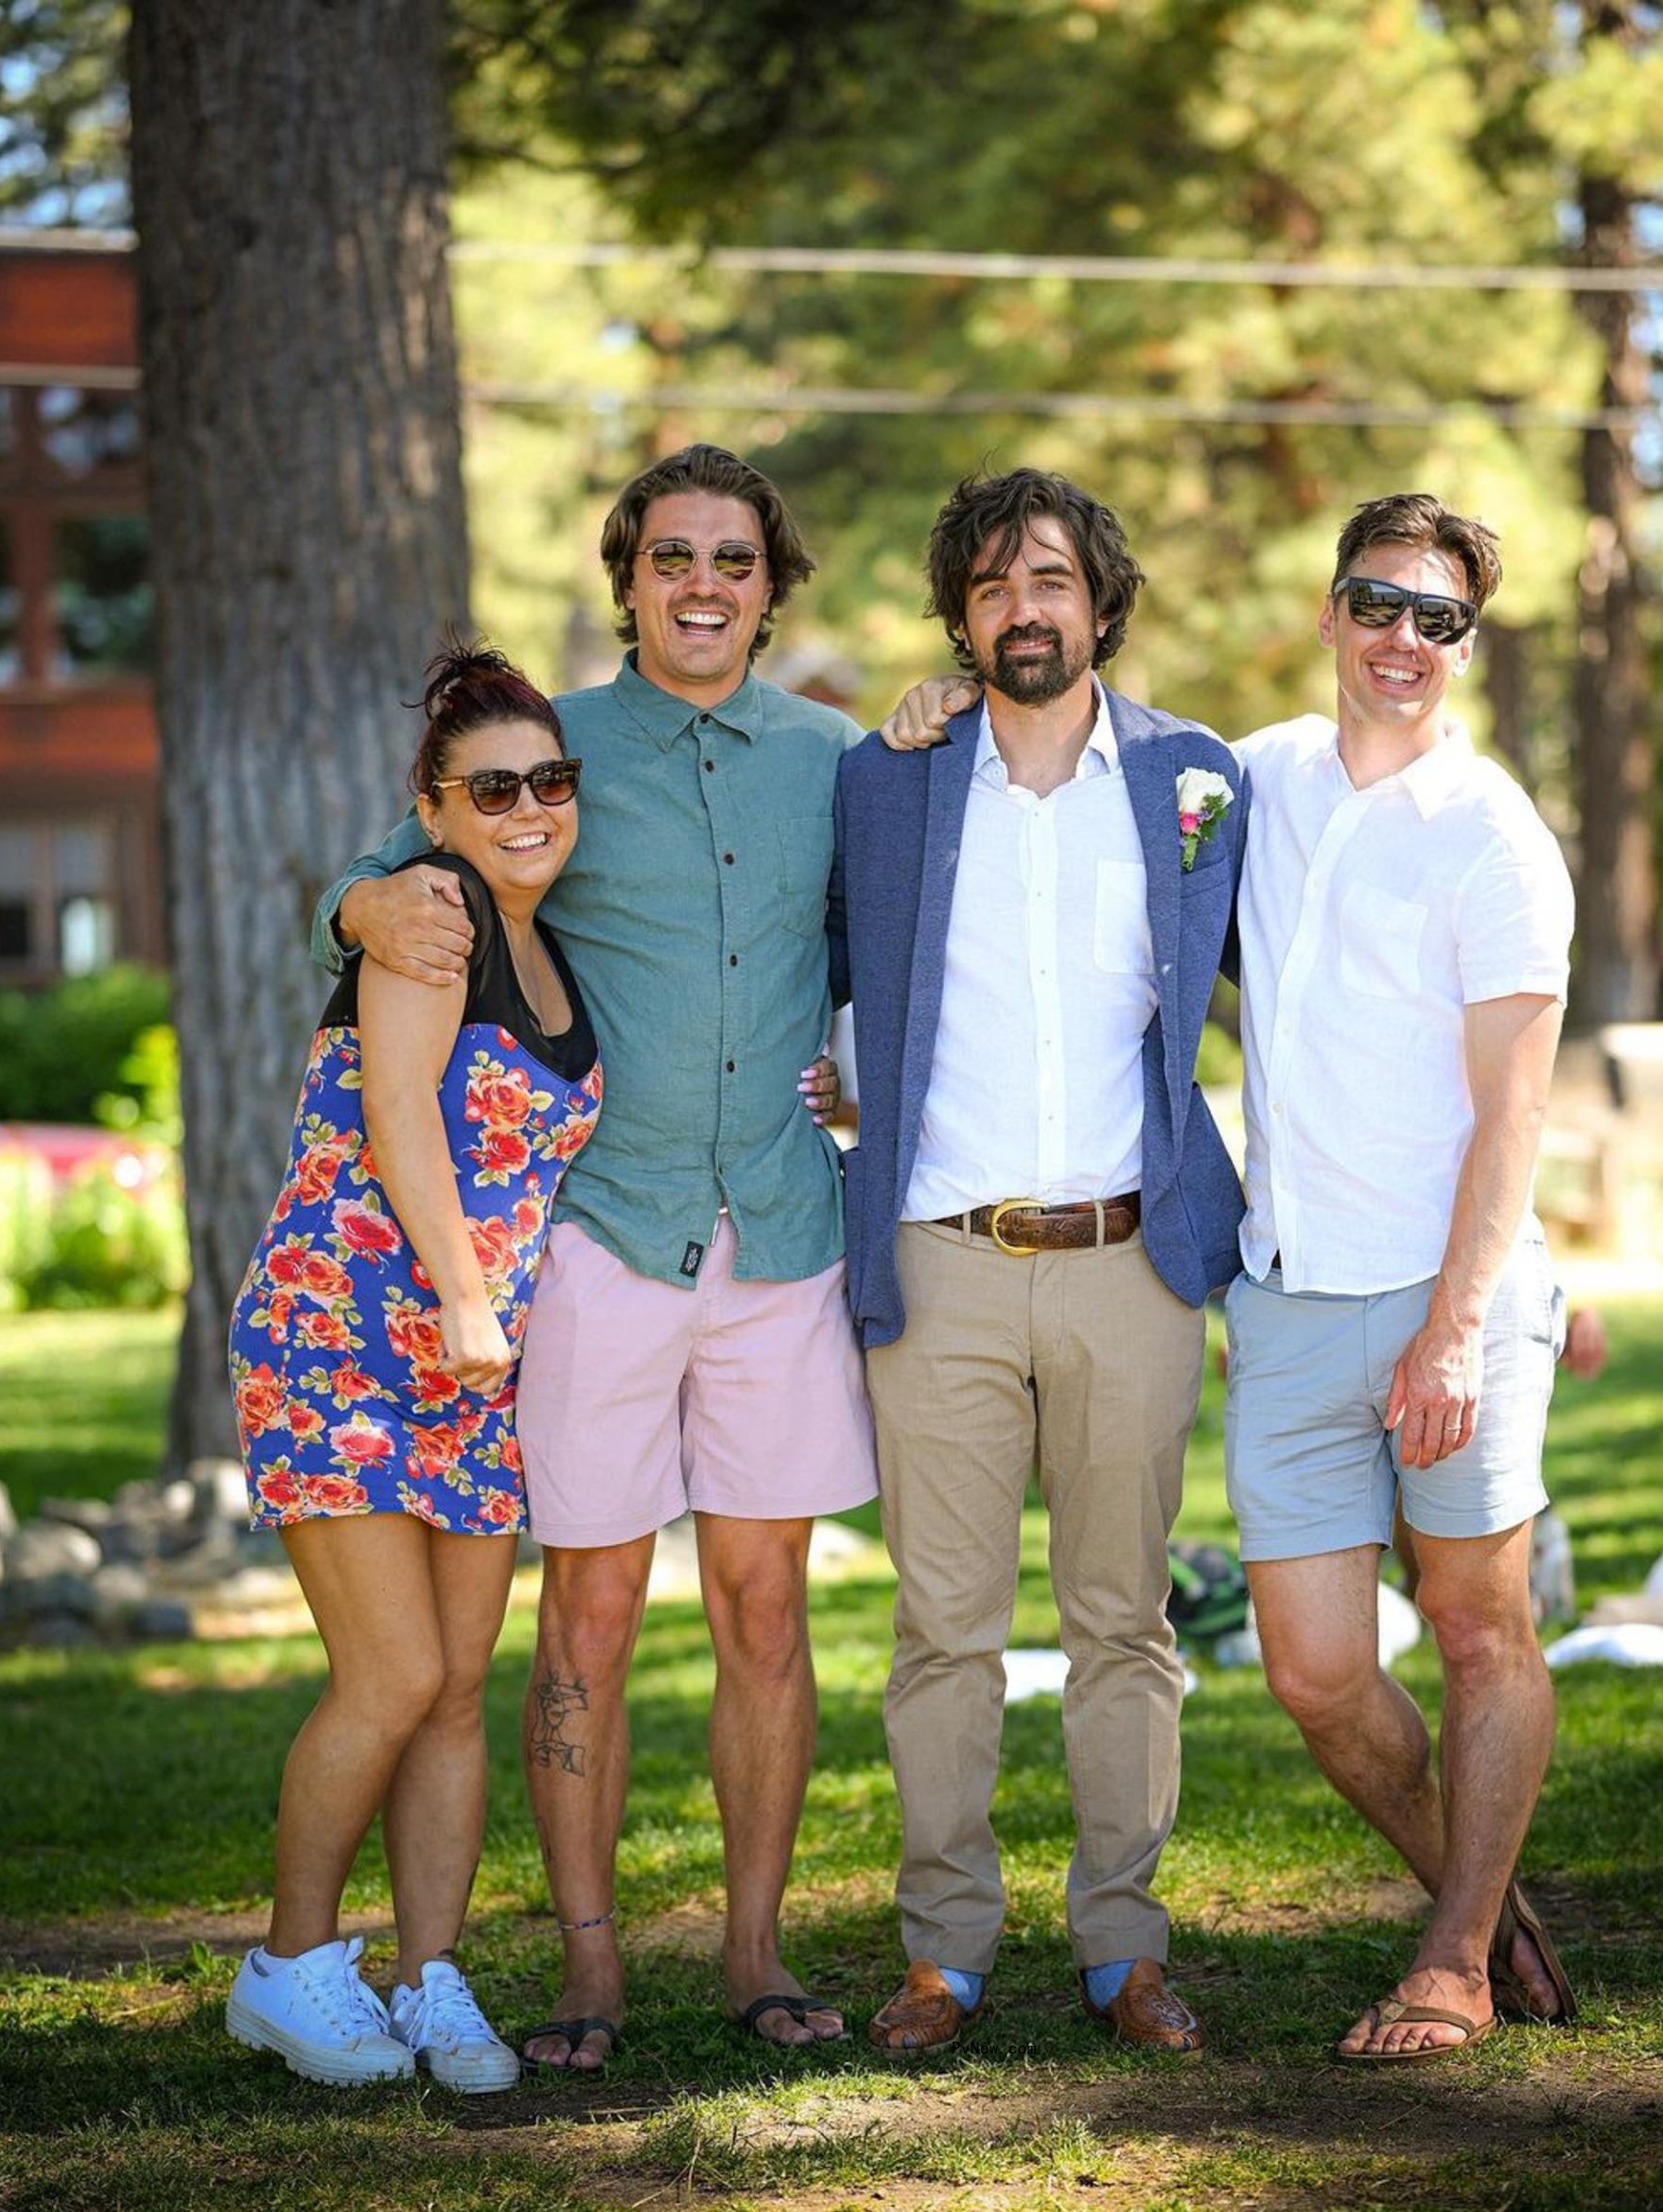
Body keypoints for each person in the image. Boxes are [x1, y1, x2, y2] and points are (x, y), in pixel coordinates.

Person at [311, 446, 878, 2068]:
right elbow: (397, 863)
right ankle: (585, 1968)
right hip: (599, 1247)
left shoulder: (834, 761)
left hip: (777, 1232)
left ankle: (757, 1955)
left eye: (736, 561)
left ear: (774, 589)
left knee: (766, 1606)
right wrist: (360, 910)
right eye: (674, 557)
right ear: (629, 576)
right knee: (592, 1617)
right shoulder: (554, 755)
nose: (704, 585)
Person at [837, 468, 1248, 2056]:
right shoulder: (892, 778)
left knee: (1123, 1623)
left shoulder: (1194, 781)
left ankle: (1122, 1951)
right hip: (935, 1259)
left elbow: (1262, 984)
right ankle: (943, 1955)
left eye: (1056, 579)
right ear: (961, 613)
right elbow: (815, 962)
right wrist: (833, 1077)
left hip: (1127, 1261)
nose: (1028, 606)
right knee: (943, 1631)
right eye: (998, 583)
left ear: (1101, 603)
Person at [1223, 495, 1579, 2061]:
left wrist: (1453, 1332)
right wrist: (943, 696)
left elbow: (1516, 1111)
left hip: (1454, 1301)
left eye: (1439, 619)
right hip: (1290, 1295)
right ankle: (1484, 1902)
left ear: (1466, 646)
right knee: (1312, 1672)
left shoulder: (1494, 834)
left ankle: (1448, 1961)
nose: (1405, 640)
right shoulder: (1249, 781)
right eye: (1380, 603)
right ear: (1329, 612)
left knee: (1480, 1627)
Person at [227, 642, 602, 2091]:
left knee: (455, 1690)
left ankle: (431, 1980)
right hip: (350, 1333)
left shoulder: (553, 943)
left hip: (472, 1360)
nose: (528, 807)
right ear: (433, 811)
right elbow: (398, 1112)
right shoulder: (429, 915)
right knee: (386, 1677)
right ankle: (291, 1966)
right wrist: (460, 1296)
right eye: (492, 786)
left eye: (549, 781)